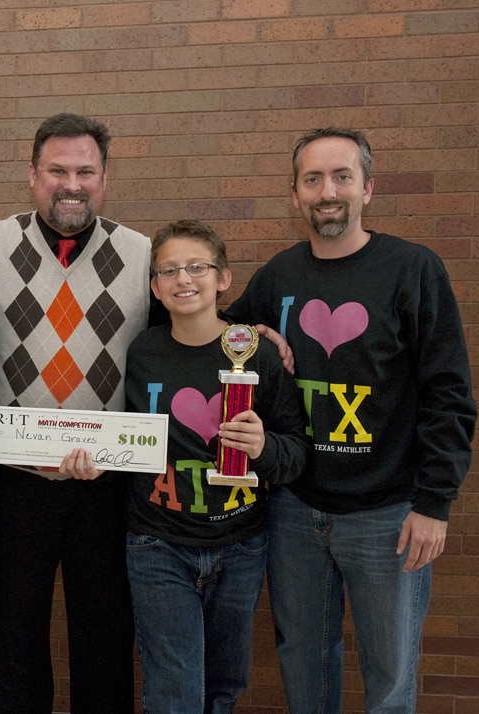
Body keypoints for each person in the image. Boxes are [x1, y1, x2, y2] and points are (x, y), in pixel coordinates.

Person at [226, 127, 477, 714]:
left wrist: (434, 502)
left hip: (388, 516)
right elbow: (219, 338)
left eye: (342, 177)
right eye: (313, 179)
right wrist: (254, 332)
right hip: (294, 510)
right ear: (295, 194)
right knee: (303, 666)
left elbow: (449, 393)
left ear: (368, 188)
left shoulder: (413, 269)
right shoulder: (279, 276)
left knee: (389, 677)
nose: (328, 192)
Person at [0, 113, 149, 714]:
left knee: (105, 639)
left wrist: (253, 332)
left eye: (85, 172)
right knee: (8, 637)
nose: (71, 184)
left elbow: (191, 322)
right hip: (11, 481)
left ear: (104, 178)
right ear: (32, 175)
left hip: (106, 483)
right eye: (57, 170)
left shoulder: (142, 254)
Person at [123, 220, 310, 714]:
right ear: (155, 287)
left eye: (197, 267)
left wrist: (263, 447)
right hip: (158, 544)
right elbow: (118, 435)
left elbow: (295, 453)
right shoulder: (140, 352)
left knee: (224, 686)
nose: (183, 279)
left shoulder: (258, 354)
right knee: (174, 692)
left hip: (241, 545)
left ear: (223, 278)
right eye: (168, 271)